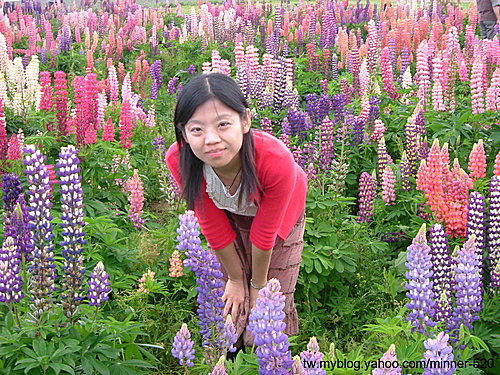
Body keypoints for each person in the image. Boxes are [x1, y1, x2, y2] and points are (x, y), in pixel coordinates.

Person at [165, 73, 308, 350]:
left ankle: (267, 352)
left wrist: (257, 284)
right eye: (197, 130)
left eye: (223, 124)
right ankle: (231, 350)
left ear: (245, 121)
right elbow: (212, 224)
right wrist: (235, 278)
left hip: (280, 213)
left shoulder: (275, 160)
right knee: (232, 295)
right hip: (226, 208)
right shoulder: (179, 158)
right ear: (183, 133)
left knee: (267, 299)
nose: (211, 139)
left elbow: (264, 234)